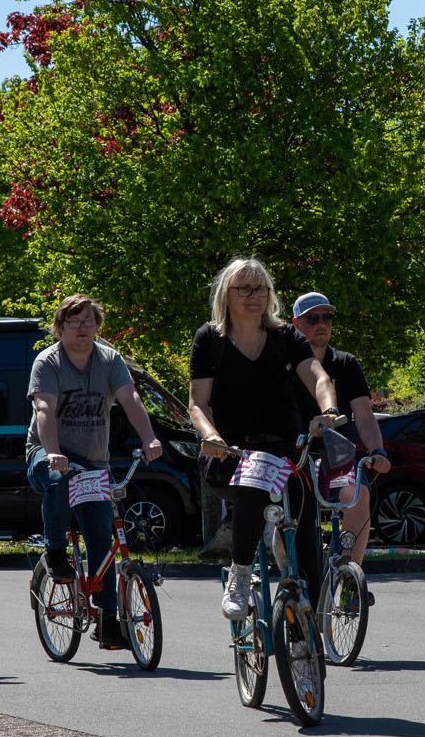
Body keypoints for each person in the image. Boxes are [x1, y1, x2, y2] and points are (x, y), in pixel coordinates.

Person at [187, 258, 342, 621]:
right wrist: (210, 436)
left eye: (261, 289)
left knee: (306, 526)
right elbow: (198, 402)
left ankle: (313, 618)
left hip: (283, 448)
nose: (254, 295)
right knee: (255, 480)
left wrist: (329, 410)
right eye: (245, 288)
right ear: (227, 294)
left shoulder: (286, 336)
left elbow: (318, 377)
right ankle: (240, 574)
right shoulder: (209, 339)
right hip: (229, 453)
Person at [27, 294, 163, 649]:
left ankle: (108, 621)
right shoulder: (48, 362)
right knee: (58, 481)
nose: (83, 328)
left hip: (92, 461)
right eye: (74, 322)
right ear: (60, 328)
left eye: (89, 321)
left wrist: (149, 438)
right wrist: (53, 452)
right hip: (48, 451)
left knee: (103, 537)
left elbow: (130, 398)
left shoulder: (109, 359)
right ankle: (54, 551)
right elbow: (44, 409)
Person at [289, 292, 391, 572]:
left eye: (327, 317)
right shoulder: (283, 365)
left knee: (357, 494)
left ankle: (347, 572)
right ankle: (293, 577)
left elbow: (365, 416)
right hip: (294, 455)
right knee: (290, 520)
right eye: (313, 318)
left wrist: (377, 451)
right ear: (296, 323)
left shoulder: (346, 364)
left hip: (337, 455)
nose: (322, 323)